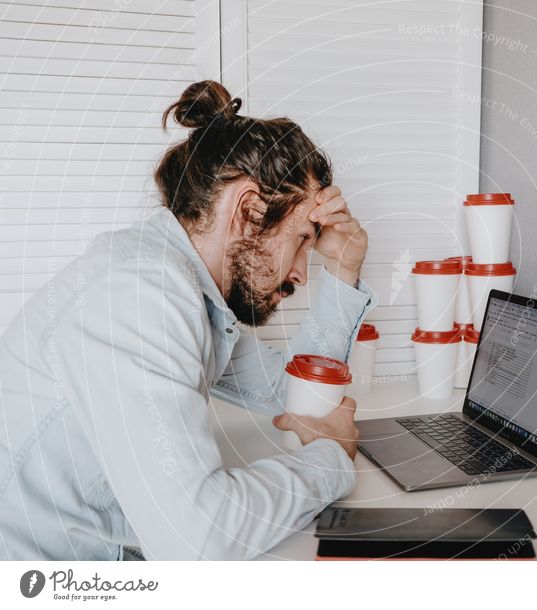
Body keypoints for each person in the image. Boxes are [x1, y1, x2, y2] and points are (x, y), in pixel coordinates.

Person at [0, 80, 377, 560]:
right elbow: (199, 540)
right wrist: (330, 461)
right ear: (247, 209)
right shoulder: (138, 296)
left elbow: (298, 394)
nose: (303, 273)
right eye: (303, 239)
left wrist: (343, 269)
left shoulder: (184, 291)